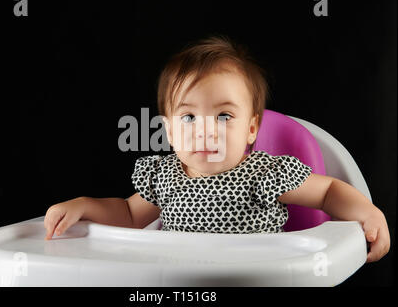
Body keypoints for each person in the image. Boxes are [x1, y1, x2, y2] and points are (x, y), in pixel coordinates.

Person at [44, 35, 390, 263]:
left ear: (251, 128)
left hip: (256, 279)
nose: (206, 130)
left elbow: (328, 191)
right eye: (189, 118)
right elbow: (129, 216)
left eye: (223, 115)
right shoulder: (164, 176)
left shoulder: (265, 174)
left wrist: (368, 213)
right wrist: (84, 205)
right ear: (168, 131)